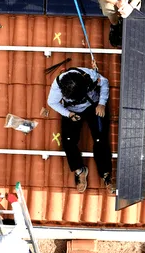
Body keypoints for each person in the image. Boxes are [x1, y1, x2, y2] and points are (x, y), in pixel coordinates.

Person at [47, 65, 115, 193]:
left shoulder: (88, 75)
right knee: (68, 141)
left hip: (93, 106)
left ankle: (106, 173)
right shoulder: (57, 86)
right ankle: (80, 170)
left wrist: (101, 103)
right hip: (72, 111)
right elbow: (52, 103)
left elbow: (104, 82)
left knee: (100, 138)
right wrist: (68, 114)